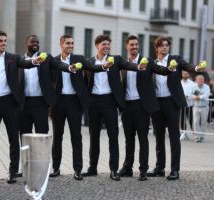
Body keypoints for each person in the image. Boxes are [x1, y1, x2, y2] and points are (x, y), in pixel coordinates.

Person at [83, 34, 147, 181]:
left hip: (109, 102)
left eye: (108, 44)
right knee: (94, 137)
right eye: (103, 44)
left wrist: (138, 66)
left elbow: (128, 65)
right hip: (94, 103)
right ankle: (92, 167)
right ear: (97, 46)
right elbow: (85, 82)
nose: (106, 47)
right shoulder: (90, 62)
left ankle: (113, 169)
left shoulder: (116, 59)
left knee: (113, 137)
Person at [50, 34, 111, 180]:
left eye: (72, 43)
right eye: (68, 43)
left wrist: (103, 66)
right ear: (61, 44)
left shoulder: (79, 59)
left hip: (74, 102)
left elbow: (92, 67)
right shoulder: (55, 61)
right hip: (58, 103)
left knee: (76, 137)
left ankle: (77, 169)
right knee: (57, 137)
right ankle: (56, 168)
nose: (71, 45)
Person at [0, 31, 37, 184]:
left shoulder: (13, 58)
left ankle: (13, 172)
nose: (4, 43)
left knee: (13, 139)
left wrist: (34, 61)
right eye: (0, 41)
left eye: (5, 40)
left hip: (10, 103)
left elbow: (25, 64)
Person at [148, 36, 204, 180]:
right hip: (157, 103)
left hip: (172, 103)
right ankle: (160, 168)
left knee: (174, 137)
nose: (165, 47)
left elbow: (188, 66)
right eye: (162, 45)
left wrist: (196, 68)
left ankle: (175, 170)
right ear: (157, 48)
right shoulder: (152, 63)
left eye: (167, 45)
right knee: (159, 136)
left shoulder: (175, 59)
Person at [118, 35, 172, 181]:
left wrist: (170, 68)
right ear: (127, 47)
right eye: (132, 45)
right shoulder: (123, 63)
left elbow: (160, 70)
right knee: (129, 140)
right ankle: (127, 168)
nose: (135, 47)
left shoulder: (147, 61)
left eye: (136, 45)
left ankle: (143, 170)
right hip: (127, 106)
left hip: (142, 107)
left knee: (143, 140)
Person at [18, 35, 75, 135]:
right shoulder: (20, 61)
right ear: (26, 43)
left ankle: (41, 152)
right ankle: (26, 151)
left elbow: (58, 64)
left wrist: (69, 67)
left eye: (37, 42)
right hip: (24, 103)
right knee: (24, 134)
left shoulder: (47, 58)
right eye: (33, 42)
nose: (35, 44)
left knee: (42, 134)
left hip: (41, 103)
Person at [191, 75, 210, 142]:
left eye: (202, 79)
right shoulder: (193, 87)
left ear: (203, 80)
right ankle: (196, 137)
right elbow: (191, 94)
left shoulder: (206, 87)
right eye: (199, 79)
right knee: (195, 122)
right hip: (196, 106)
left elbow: (206, 95)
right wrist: (194, 97)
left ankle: (202, 136)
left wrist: (199, 97)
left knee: (203, 122)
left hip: (204, 107)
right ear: (196, 80)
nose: (200, 80)